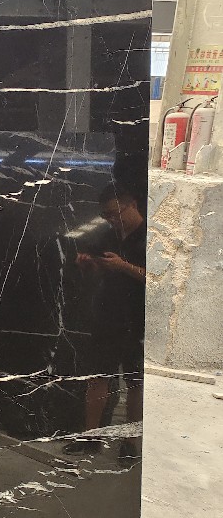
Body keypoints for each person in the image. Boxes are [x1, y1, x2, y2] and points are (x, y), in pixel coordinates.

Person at [65, 184, 146, 461]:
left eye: (115, 213)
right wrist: (89, 265)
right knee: (97, 378)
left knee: (135, 383)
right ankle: (91, 437)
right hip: (108, 315)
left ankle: (130, 442)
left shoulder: (151, 235)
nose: (112, 220)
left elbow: (159, 279)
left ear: (132, 204)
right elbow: (100, 273)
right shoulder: (109, 236)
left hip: (138, 319)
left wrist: (124, 266)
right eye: (106, 216)